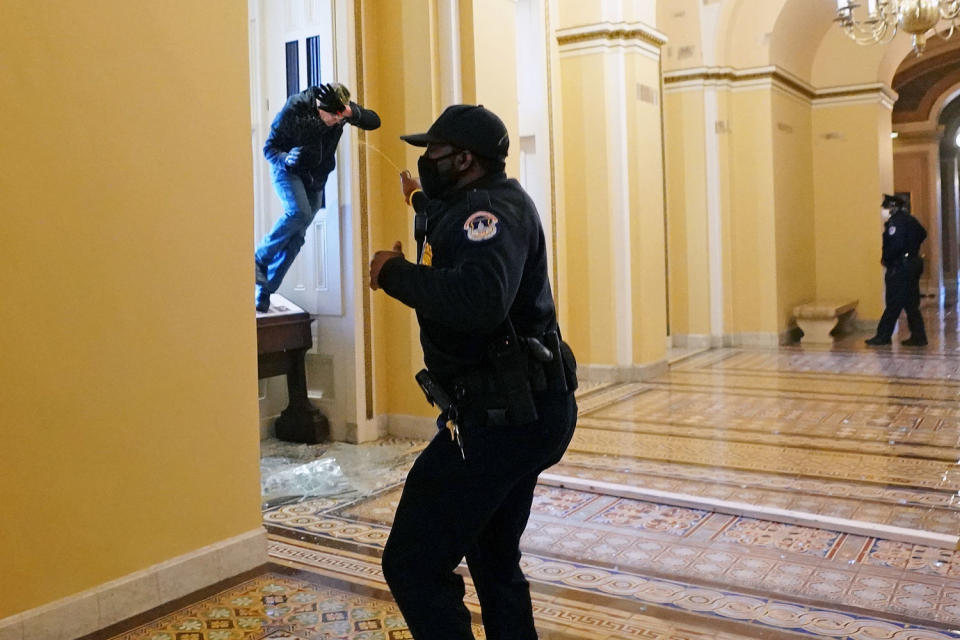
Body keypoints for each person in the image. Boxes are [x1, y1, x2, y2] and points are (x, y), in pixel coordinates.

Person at [368, 104, 578, 640]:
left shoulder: (487, 214)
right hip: (525, 409)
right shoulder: (480, 202)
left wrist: (394, 273)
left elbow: (480, 299)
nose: (425, 158)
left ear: (463, 159)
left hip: (501, 418)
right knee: (492, 555)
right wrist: (416, 195)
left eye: (432, 152)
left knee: (413, 562)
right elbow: (450, 229)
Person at [255, 82, 380, 312]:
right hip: (288, 169)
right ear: (318, 106)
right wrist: (285, 159)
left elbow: (375, 121)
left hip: (316, 178)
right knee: (299, 212)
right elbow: (269, 149)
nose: (335, 121)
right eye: (331, 115)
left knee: (297, 238)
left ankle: (265, 289)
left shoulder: (341, 111)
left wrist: (350, 112)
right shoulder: (296, 108)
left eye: (339, 117)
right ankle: (258, 258)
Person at [865, 193, 928, 346]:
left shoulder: (895, 222)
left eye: (887, 208)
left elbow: (895, 245)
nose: (885, 211)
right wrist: (912, 248)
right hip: (913, 263)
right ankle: (919, 336)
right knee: (911, 302)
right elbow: (922, 233)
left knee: (893, 302)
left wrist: (886, 259)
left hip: (900, 266)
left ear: (893, 207)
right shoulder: (910, 219)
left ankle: (883, 336)